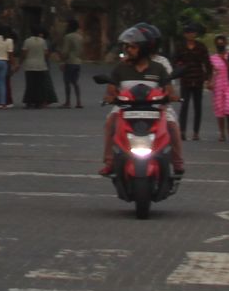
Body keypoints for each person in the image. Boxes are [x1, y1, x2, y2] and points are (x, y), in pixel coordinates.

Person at [97, 24, 182, 177]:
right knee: (110, 123)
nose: (128, 50)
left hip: (155, 108)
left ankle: (177, 162)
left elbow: (169, 89)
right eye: (127, 46)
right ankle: (110, 161)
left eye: (133, 47)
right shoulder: (121, 67)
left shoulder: (159, 66)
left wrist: (169, 97)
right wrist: (111, 97)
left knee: (172, 126)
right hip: (126, 107)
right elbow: (111, 89)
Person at [173, 25, 210, 142]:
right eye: (188, 33)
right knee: (184, 105)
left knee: (197, 106)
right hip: (185, 79)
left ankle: (196, 132)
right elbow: (174, 61)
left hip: (198, 79)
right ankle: (182, 131)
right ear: (185, 34)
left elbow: (207, 63)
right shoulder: (180, 47)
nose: (191, 35)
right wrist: (178, 70)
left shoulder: (201, 47)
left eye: (192, 32)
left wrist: (209, 78)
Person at [208, 34, 229, 141]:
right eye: (218, 44)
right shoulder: (212, 58)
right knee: (220, 109)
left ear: (226, 44)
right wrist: (209, 82)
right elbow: (212, 72)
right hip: (218, 86)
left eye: (222, 44)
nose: (220, 46)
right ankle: (222, 133)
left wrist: (225, 59)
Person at [19, 27, 57, 108]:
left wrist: (20, 63)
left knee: (30, 84)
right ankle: (38, 102)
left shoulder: (27, 41)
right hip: (41, 65)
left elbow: (24, 54)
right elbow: (46, 53)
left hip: (30, 65)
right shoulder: (43, 41)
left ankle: (29, 102)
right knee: (39, 85)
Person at [58, 19, 86, 109]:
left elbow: (65, 51)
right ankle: (78, 101)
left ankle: (68, 101)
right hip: (78, 61)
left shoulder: (68, 37)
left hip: (70, 61)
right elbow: (82, 51)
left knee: (67, 82)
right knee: (75, 82)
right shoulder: (80, 37)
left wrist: (62, 60)